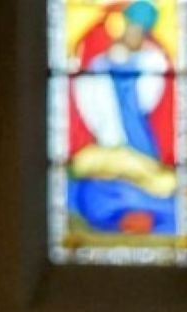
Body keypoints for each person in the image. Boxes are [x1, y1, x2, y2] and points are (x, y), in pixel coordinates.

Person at [68, 2, 179, 237]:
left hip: (141, 142)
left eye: (141, 31)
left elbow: (153, 96)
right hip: (108, 142)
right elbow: (89, 101)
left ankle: (142, 212)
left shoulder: (153, 60)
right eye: (132, 29)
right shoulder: (99, 64)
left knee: (165, 192)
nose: (135, 36)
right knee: (94, 192)